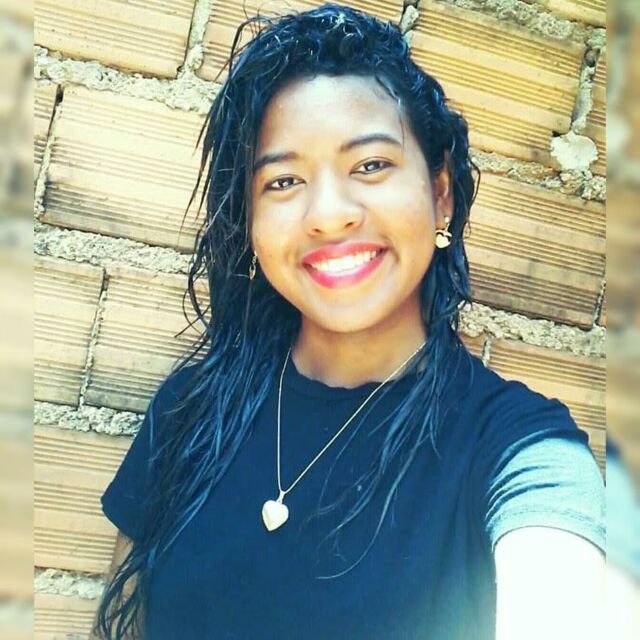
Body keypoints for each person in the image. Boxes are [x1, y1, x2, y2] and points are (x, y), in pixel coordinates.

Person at [92, 4, 605, 639]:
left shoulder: (519, 450)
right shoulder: (190, 414)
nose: (329, 214)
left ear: (440, 191)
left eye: (370, 166)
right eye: (283, 181)